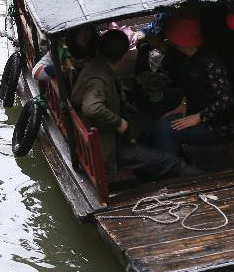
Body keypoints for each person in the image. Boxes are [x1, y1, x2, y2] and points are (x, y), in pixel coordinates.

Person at [71, 29, 200, 180]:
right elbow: (92, 108)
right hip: (108, 147)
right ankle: (208, 180)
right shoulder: (98, 78)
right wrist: (120, 123)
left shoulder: (95, 67)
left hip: (107, 139)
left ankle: (153, 166)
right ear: (125, 55)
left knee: (151, 126)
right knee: (173, 163)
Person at [151, 11, 234, 157]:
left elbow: (226, 100)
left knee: (164, 129)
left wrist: (198, 117)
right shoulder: (189, 58)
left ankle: (174, 172)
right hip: (203, 110)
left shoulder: (211, 62)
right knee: (162, 102)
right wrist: (184, 104)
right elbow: (192, 87)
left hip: (223, 124)